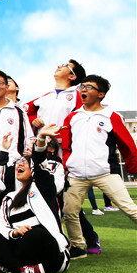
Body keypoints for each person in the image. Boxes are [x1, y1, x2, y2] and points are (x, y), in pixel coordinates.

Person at [59, 75, 137, 258]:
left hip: (105, 173)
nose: (83, 90)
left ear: (101, 94)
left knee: (129, 208)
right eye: (82, 86)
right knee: (69, 212)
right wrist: (67, 165)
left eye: (89, 87)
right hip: (76, 175)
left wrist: (134, 168)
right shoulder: (72, 117)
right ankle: (78, 246)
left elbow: (127, 145)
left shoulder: (112, 116)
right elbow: (66, 145)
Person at [0, 126, 70, 273]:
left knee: (35, 234)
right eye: (19, 162)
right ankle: (20, 269)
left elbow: (40, 165)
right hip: (20, 247)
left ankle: (7, 265)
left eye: (25, 163)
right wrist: (14, 232)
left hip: (49, 252)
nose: (20, 164)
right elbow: (0, 226)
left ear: (33, 169)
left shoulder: (43, 189)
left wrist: (41, 138)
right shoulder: (9, 198)